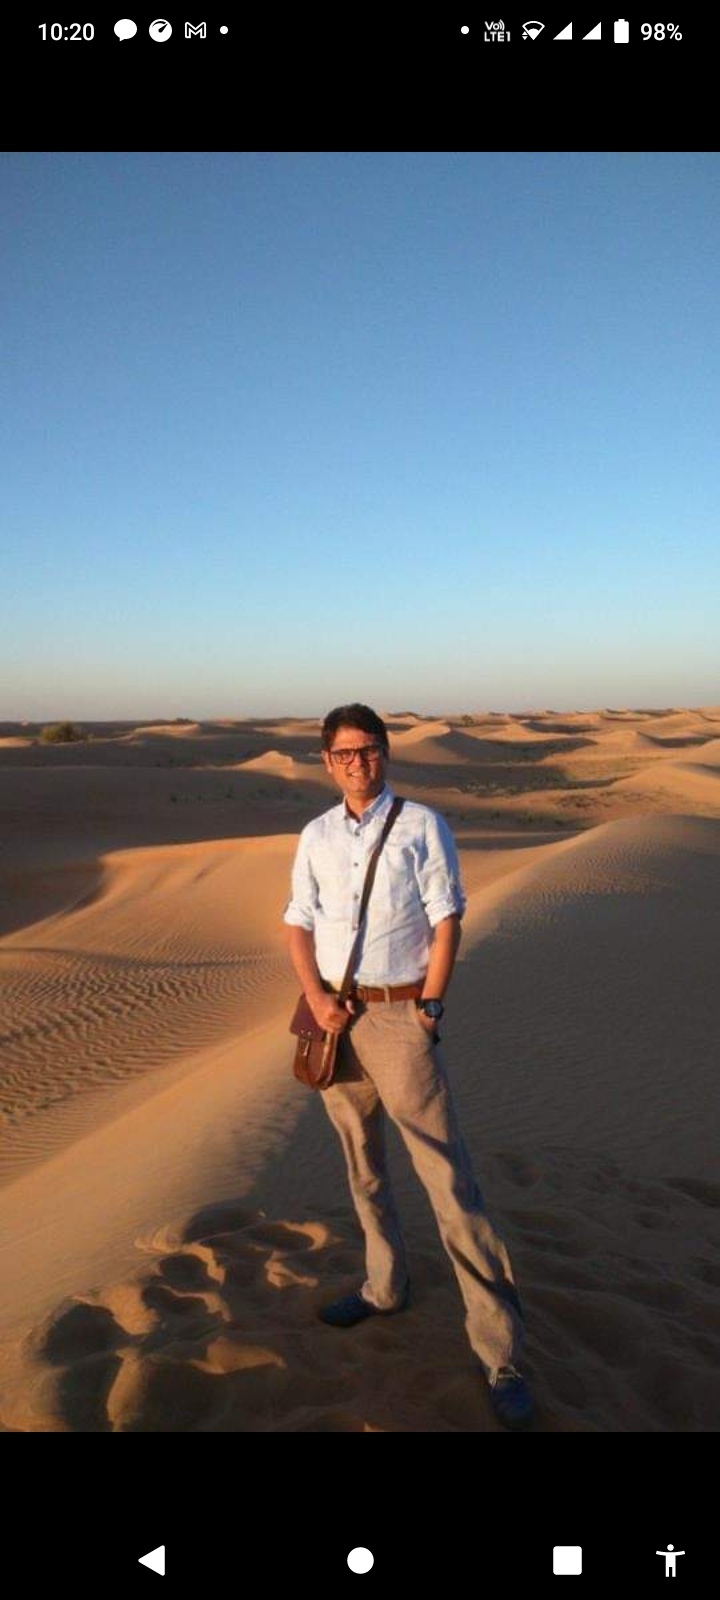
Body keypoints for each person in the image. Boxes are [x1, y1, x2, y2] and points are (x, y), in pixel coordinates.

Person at [283, 703, 533, 1429]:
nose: (357, 762)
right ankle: (384, 1287)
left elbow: (447, 919)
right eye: (344, 753)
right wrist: (315, 997)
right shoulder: (316, 835)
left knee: (449, 1182)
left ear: (386, 753)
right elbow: (298, 921)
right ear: (326, 761)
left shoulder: (422, 824)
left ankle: (501, 1352)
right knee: (363, 1167)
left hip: (400, 1018)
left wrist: (428, 1011)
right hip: (334, 1022)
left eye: (368, 750)